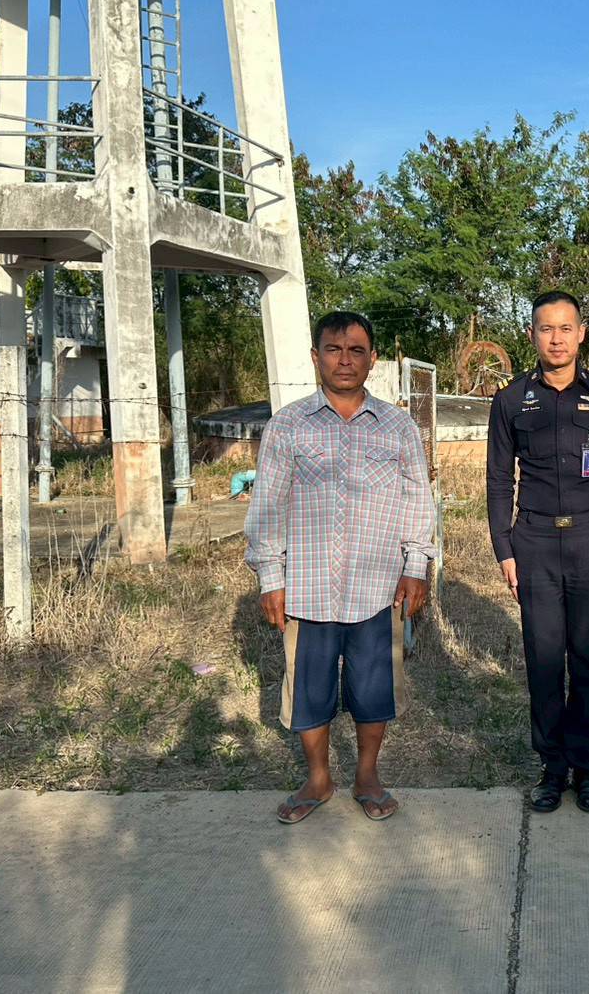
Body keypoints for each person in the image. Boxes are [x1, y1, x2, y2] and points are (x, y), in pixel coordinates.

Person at [244, 311, 436, 825]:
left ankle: (367, 776)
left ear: (372, 360)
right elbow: (267, 505)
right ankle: (318, 779)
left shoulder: (397, 426)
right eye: (334, 349)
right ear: (316, 357)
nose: (345, 360)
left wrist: (416, 566)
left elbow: (418, 499)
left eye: (356, 351)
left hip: (378, 587)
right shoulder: (288, 425)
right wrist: (271, 578)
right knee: (308, 689)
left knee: (375, 689)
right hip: (306, 588)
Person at [486, 290, 589, 813]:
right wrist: (504, 548)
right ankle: (552, 769)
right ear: (532, 334)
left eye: (565, 328)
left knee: (588, 659)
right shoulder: (511, 400)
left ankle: (588, 769)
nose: (556, 338)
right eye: (546, 328)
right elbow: (498, 480)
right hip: (533, 542)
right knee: (545, 661)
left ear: (582, 334)